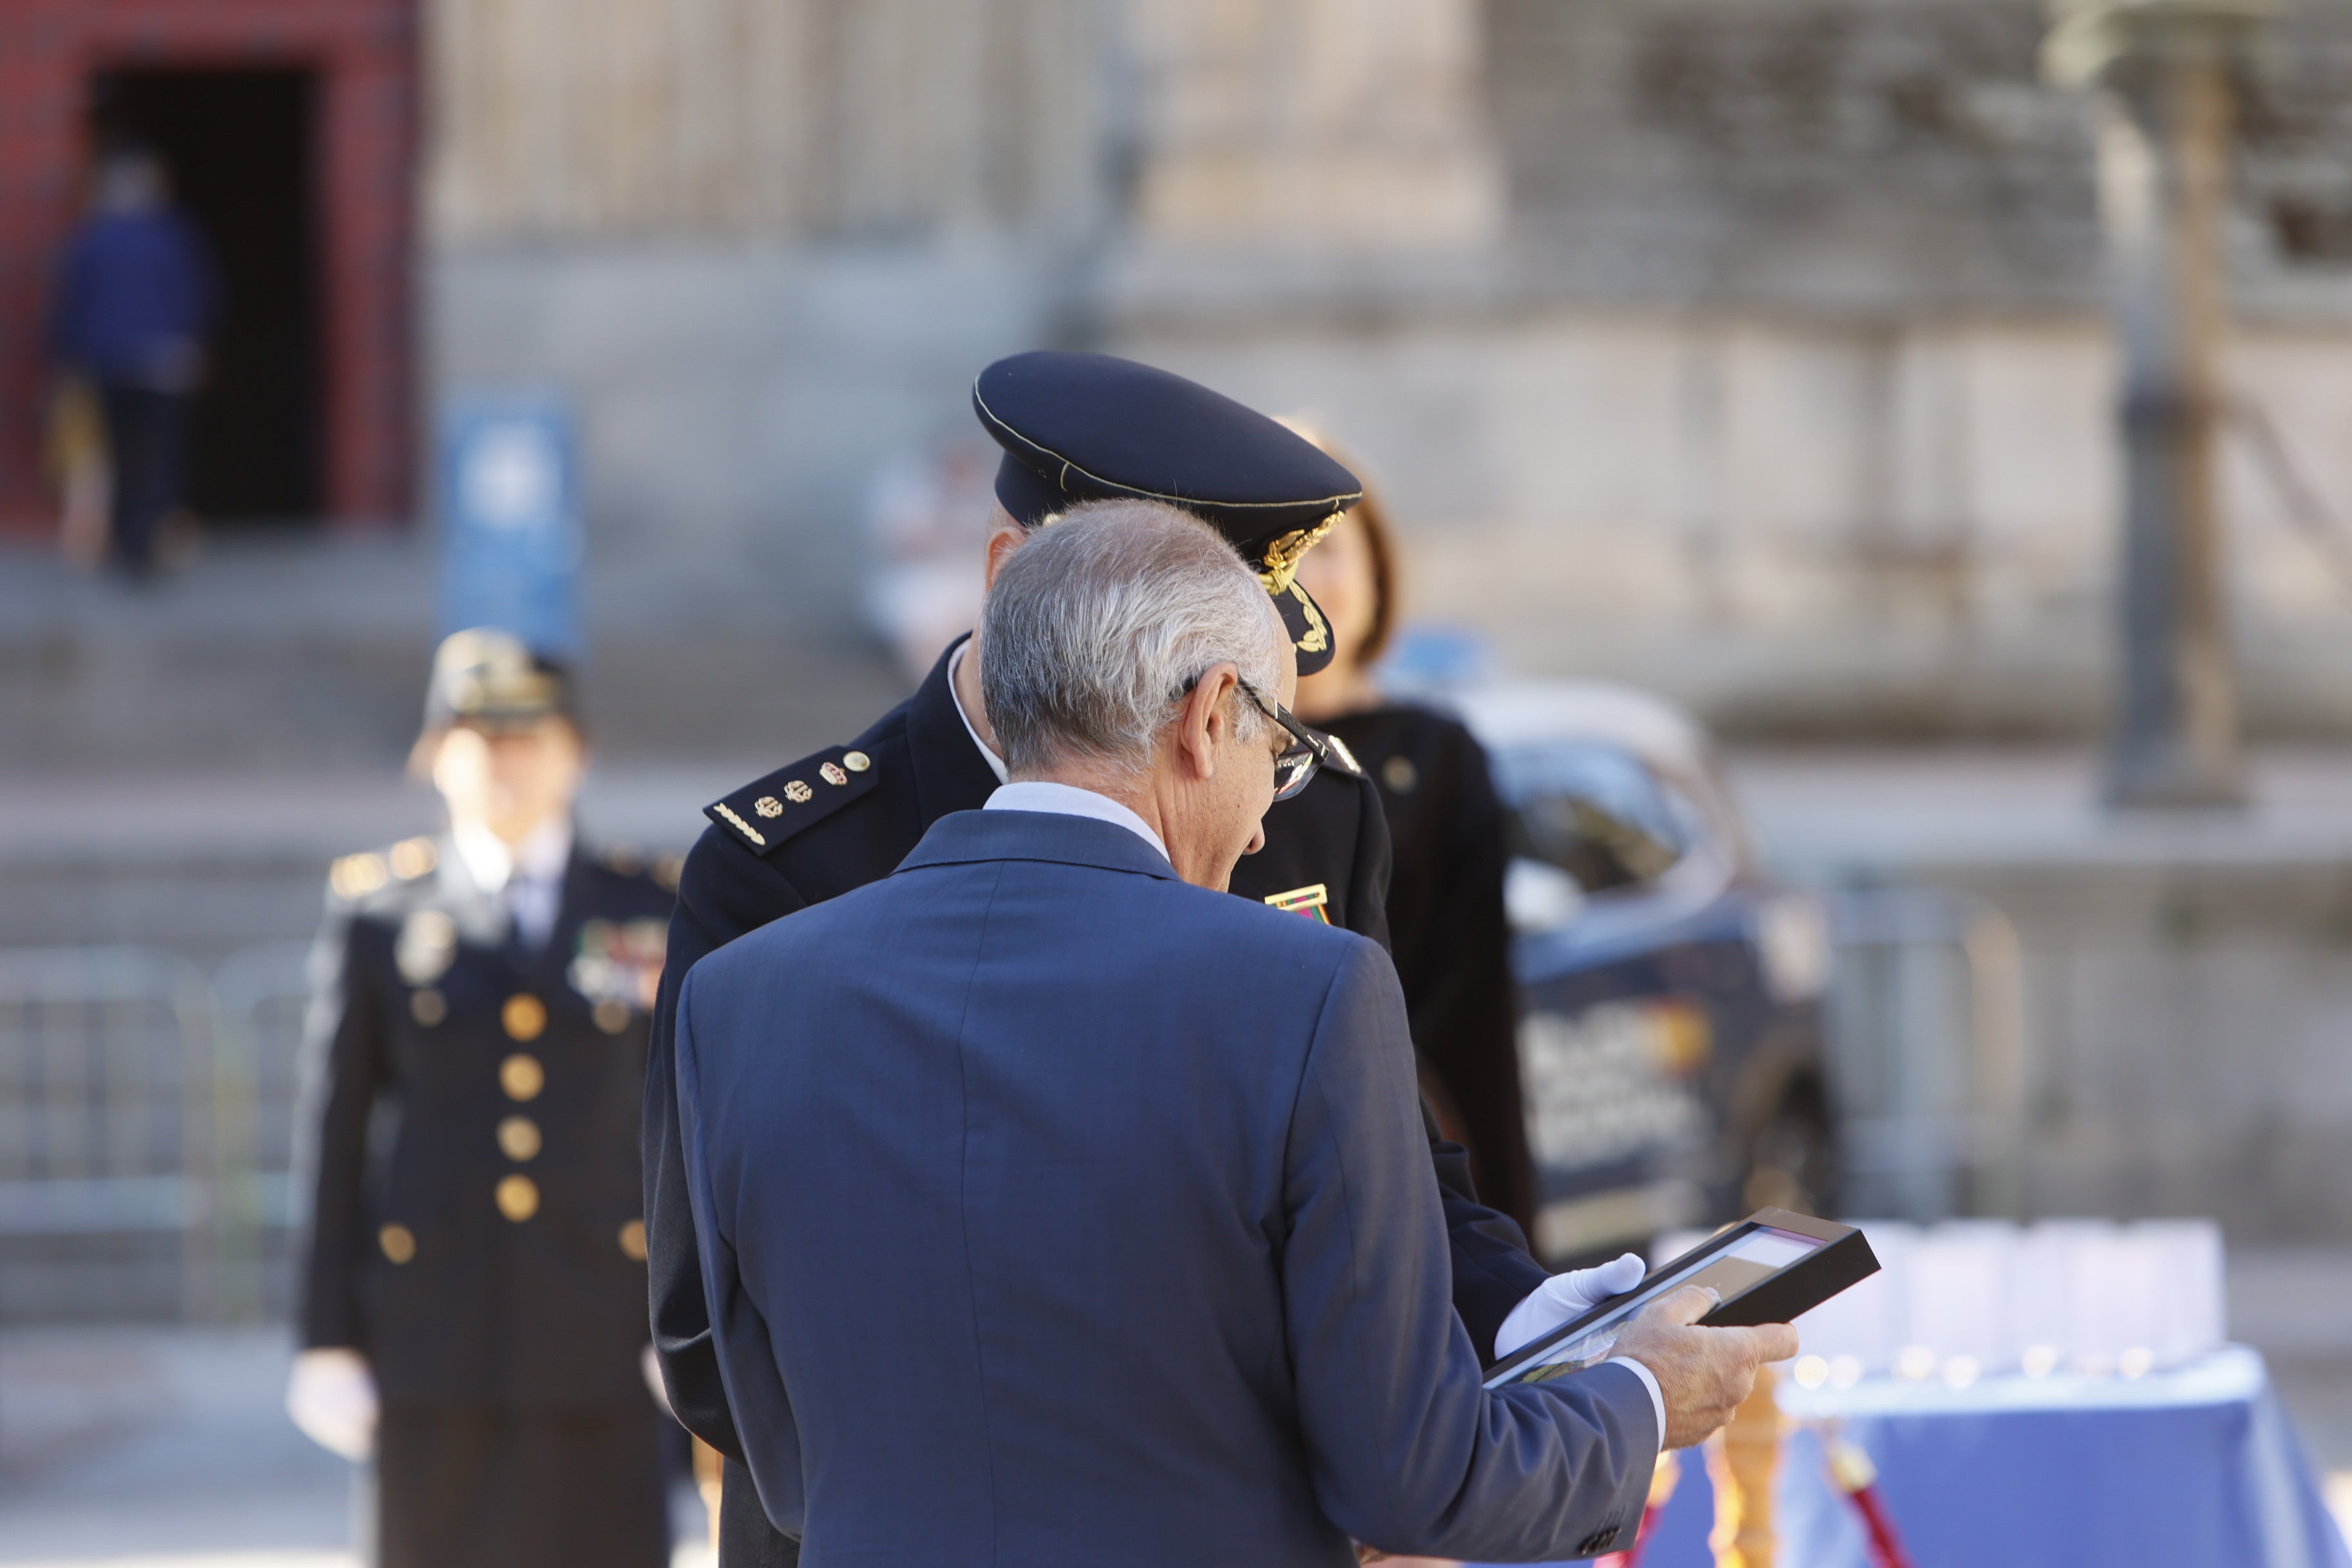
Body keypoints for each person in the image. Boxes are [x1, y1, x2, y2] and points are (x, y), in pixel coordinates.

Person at [672, 499, 1796, 1565]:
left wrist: (1531, 1319)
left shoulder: (741, 999)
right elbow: (1414, 1477)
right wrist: (1639, 1396)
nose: (1268, 824)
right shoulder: (1301, 992)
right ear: (1211, 718)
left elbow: (773, 1442)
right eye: (1278, 747)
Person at [288, 629, 678, 1568]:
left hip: (604, 1326)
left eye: (529, 737)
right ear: (436, 756)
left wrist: (688, 1319)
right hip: (431, 1336)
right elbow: (336, 1133)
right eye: (478, 738)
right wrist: (325, 1338)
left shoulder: (648, 906)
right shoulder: (381, 913)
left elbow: (684, 1129)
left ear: (576, 752)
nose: (505, 762)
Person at [1288, 428, 1537, 1237]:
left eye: (1329, 549)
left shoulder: (1441, 752)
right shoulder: (1208, 756)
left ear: (1376, 568)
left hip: (1419, 1136)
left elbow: (1477, 1006)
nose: (1306, 580)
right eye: (1277, 556)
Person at [46, 144, 215, 579]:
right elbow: (199, 295)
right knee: (161, 453)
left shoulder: (92, 238)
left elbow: (70, 307)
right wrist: (195, 344)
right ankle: (147, 537)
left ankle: (126, 540)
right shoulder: (173, 235)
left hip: (109, 361)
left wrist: (65, 360)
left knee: (120, 452)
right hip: (163, 360)